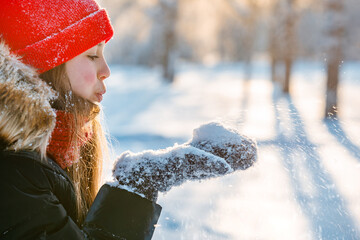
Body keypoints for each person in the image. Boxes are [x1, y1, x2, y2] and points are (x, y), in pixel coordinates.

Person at [0, 0, 257, 239]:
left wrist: (140, 184)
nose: (106, 71)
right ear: (44, 65)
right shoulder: (15, 176)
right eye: (92, 55)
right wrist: (138, 186)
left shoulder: (54, 155)